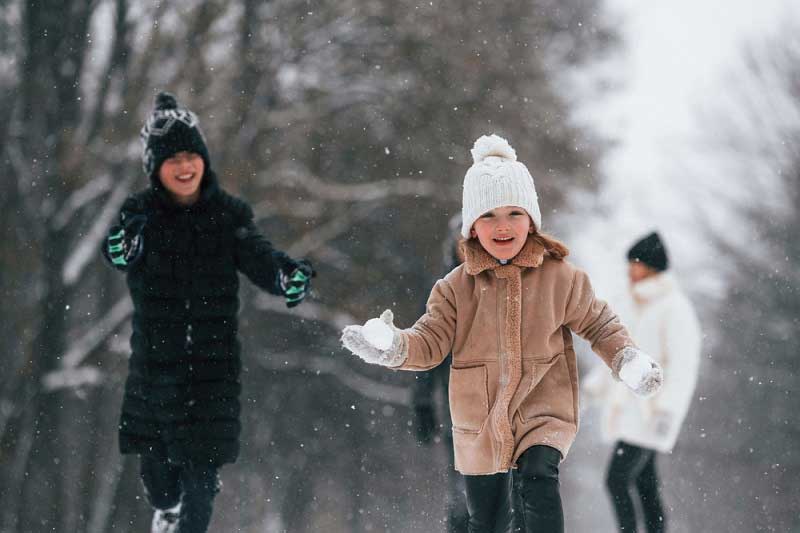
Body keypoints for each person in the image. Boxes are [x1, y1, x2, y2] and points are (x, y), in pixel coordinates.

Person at [340, 134, 663, 533]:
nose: (503, 226)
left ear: (532, 219)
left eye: (514, 213)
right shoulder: (454, 289)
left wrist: (625, 358)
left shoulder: (560, 278)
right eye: (489, 215)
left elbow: (598, 323)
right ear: (472, 227)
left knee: (537, 479)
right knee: (485, 521)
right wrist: (391, 346)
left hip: (542, 411)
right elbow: (428, 343)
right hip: (478, 423)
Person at [101, 92, 315, 533]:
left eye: (192, 155)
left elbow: (258, 256)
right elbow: (120, 250)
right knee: (160, 484)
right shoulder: (139, 215)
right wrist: (123, 246)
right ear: (155, 168)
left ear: (203, 159)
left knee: (200, 489)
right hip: (155, 373)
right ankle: (166, 511)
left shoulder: (226, 215)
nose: (185, 167)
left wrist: (285, 276)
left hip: (211, 376)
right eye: (173, 158)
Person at [583, 232, 701, 533]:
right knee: (645, 483)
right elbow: (616, 354)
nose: (629, 270)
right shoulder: (628, 302)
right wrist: (593, 389)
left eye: (635, 263)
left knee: (617, 479)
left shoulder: (675, 308)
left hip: (651, 412)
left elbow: (683, 365)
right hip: (627, 410)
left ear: (651, 266)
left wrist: (668, 410)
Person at [410, 213, 469, 532]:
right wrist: (422, 403)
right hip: (456, 407)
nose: (466, 250)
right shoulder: (441, 293)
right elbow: (424, 352)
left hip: (501, 410)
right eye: (461, 244)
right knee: (462, 490)